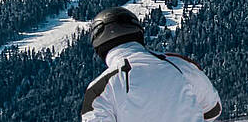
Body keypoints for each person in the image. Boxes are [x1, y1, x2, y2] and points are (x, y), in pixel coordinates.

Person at [81, 7, 223, 121]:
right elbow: (213, 109)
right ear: (138, 33)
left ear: (99, 46)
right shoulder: (179, 65)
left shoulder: (101, 88)